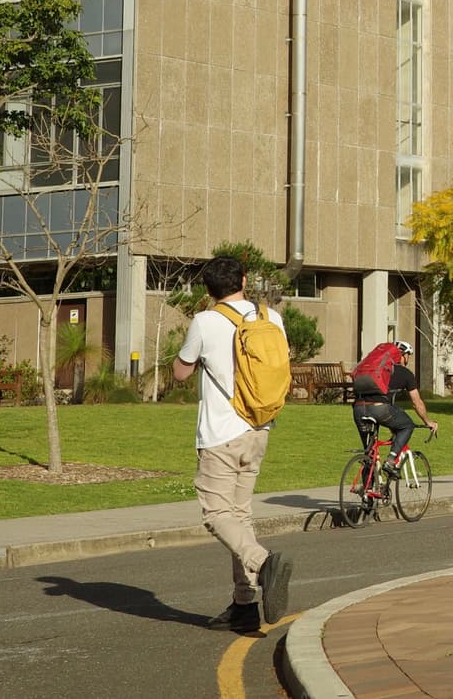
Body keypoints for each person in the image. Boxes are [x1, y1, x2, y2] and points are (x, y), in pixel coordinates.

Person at [173, 255, 293, 633]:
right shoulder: (270, 318)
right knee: (240, 515)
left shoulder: (206, 321)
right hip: (260, 427)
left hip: (221, 434)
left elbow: (180, 371)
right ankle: (244, 605)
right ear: (244, 279)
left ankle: (263, 561)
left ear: (208, 290)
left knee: (215, 513)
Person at [350, 339, 436, 482]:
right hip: (379, 409)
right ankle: (390, 462)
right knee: (407, 425)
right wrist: (428, 421)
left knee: (369, 452)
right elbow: (416, 402)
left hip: (358, 410)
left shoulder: (375, 369)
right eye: (408, 355)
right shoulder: (405, 373)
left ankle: (367, 496)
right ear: (403, 355)